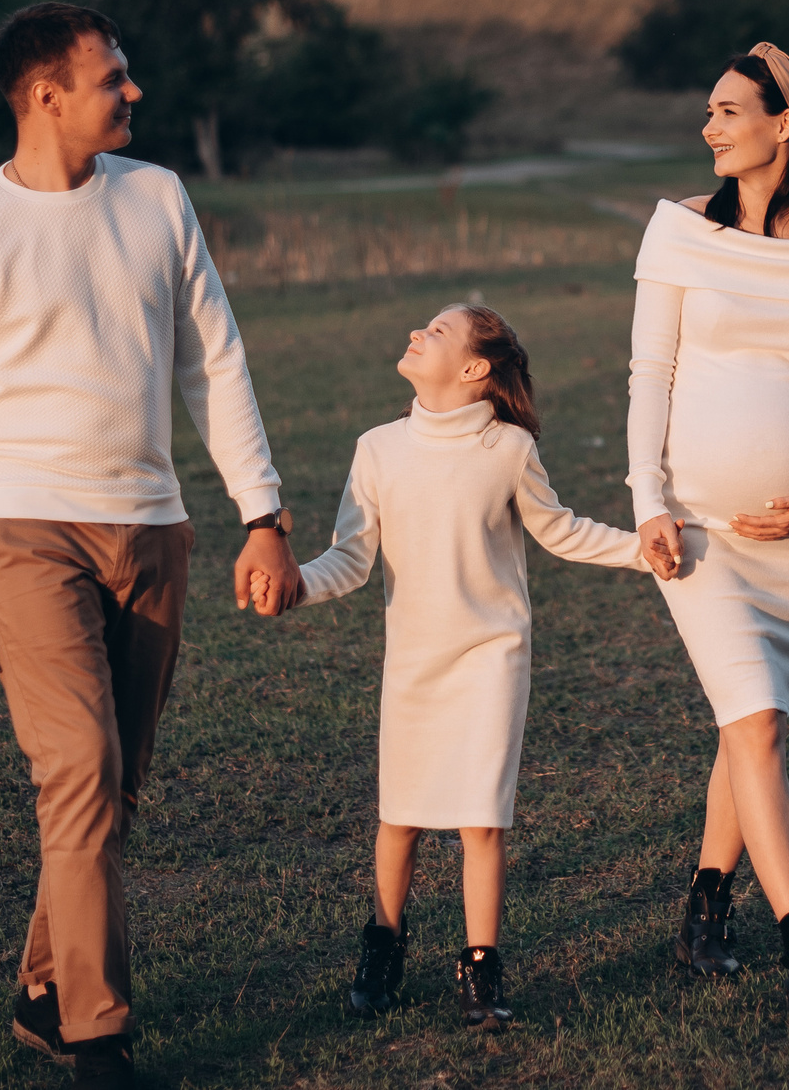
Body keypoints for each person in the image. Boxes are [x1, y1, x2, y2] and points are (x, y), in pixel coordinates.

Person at [0, 3, 300, 1090]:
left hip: (154, 525)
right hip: (23, 529)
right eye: (113, 78)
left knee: (110, 788)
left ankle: (44, 990)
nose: (133, 94)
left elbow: (213, 359)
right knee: (78, 768)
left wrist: (261, 512)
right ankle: (101, 1041)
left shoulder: (158, 196)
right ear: (46, 95)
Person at [244, 303, 651, 1030]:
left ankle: (480, 970)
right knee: (399, 818)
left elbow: (560, 529)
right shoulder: (377, 448)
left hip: (492, 658)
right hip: (415, 664)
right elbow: (352, 556)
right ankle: (383, 947)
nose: (415, 333)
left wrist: (640, 547)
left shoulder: (508, 449)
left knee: (480, 820)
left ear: (472, 368)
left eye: (436, 331)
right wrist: (299, 583)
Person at [629, 41, 789, 1024]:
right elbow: (648, 373)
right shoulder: (681, 229)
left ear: (785, 122)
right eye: (708, 110)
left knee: (754, 719)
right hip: (694, 521)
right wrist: (647, 496)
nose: (709, 126)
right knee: (757, 724)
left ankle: (704, 897)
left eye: (730, 109)